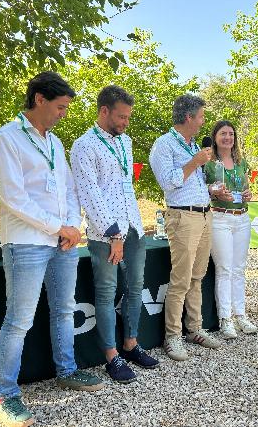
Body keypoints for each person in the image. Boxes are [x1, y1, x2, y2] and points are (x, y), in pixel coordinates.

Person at [0, 72, 104, 427]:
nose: (63, 114)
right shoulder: (7, 137)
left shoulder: (54, 142)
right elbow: (13, 197)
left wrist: (72, 226)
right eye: (60, 107)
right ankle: (4, 395)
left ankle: (66, 370)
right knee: (19, 320)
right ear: (39, 99)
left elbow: (69, 189)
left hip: (61, 240)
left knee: (64, 309)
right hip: (26, 241)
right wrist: (59, 227)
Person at [70, 85, 159, 385]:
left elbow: (125, 186)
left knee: (135, 287)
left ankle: (131, 344)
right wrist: (114, 234)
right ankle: (111, 356)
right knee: (107, 293)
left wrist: (133, 226)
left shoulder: (126, 141)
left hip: (134, 225)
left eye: (129, 117)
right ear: (104, 111)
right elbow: (90, 194)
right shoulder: (83, 145)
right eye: (121, 117)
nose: (126, 122)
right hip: (105, 233)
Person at [149, 94, 223, 361]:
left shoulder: (193, 145)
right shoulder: (164, 145)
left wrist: (212, 190)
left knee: (197, 277)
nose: (203, 122)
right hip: (182, 217)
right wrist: (195, 162)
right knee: (181, 279)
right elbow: (168, 182)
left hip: (203, 214)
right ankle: (172, 337)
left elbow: (191, 183)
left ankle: (194, 329)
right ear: (189, 117)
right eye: (201, 116)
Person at [204, 120, 258, 339]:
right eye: (223, 134)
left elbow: (245, 188)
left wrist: (247, 194)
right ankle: (225, 319)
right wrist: (214, 191)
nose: (228, 138)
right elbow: (201, 188)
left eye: (231, 134)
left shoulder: (241, 161)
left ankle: (240, 315)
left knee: (239, 268)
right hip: (220, 218)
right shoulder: (208, 163)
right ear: (215, 137)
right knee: (225, 268)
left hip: (242, 218)